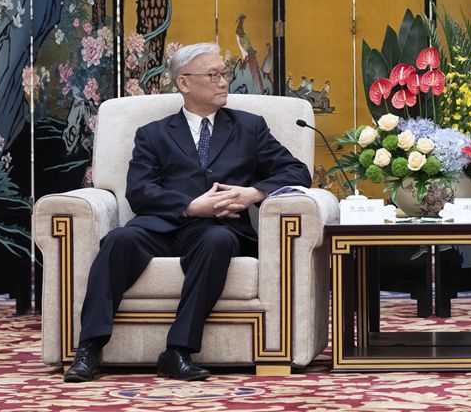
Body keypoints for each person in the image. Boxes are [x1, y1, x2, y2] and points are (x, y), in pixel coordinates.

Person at [63, 43, 312, 382]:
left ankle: (178, 350)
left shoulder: (249, 128)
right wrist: (191, 206)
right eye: (213, 74)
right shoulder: (153, 134)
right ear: (184, 82)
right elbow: (139, 191)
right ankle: (89, 349)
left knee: (217, 242)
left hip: (219, 228)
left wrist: (252, 194)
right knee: (118, 240)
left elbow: (297, 172)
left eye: (224, 73)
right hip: (161, 226)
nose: (223, 81)